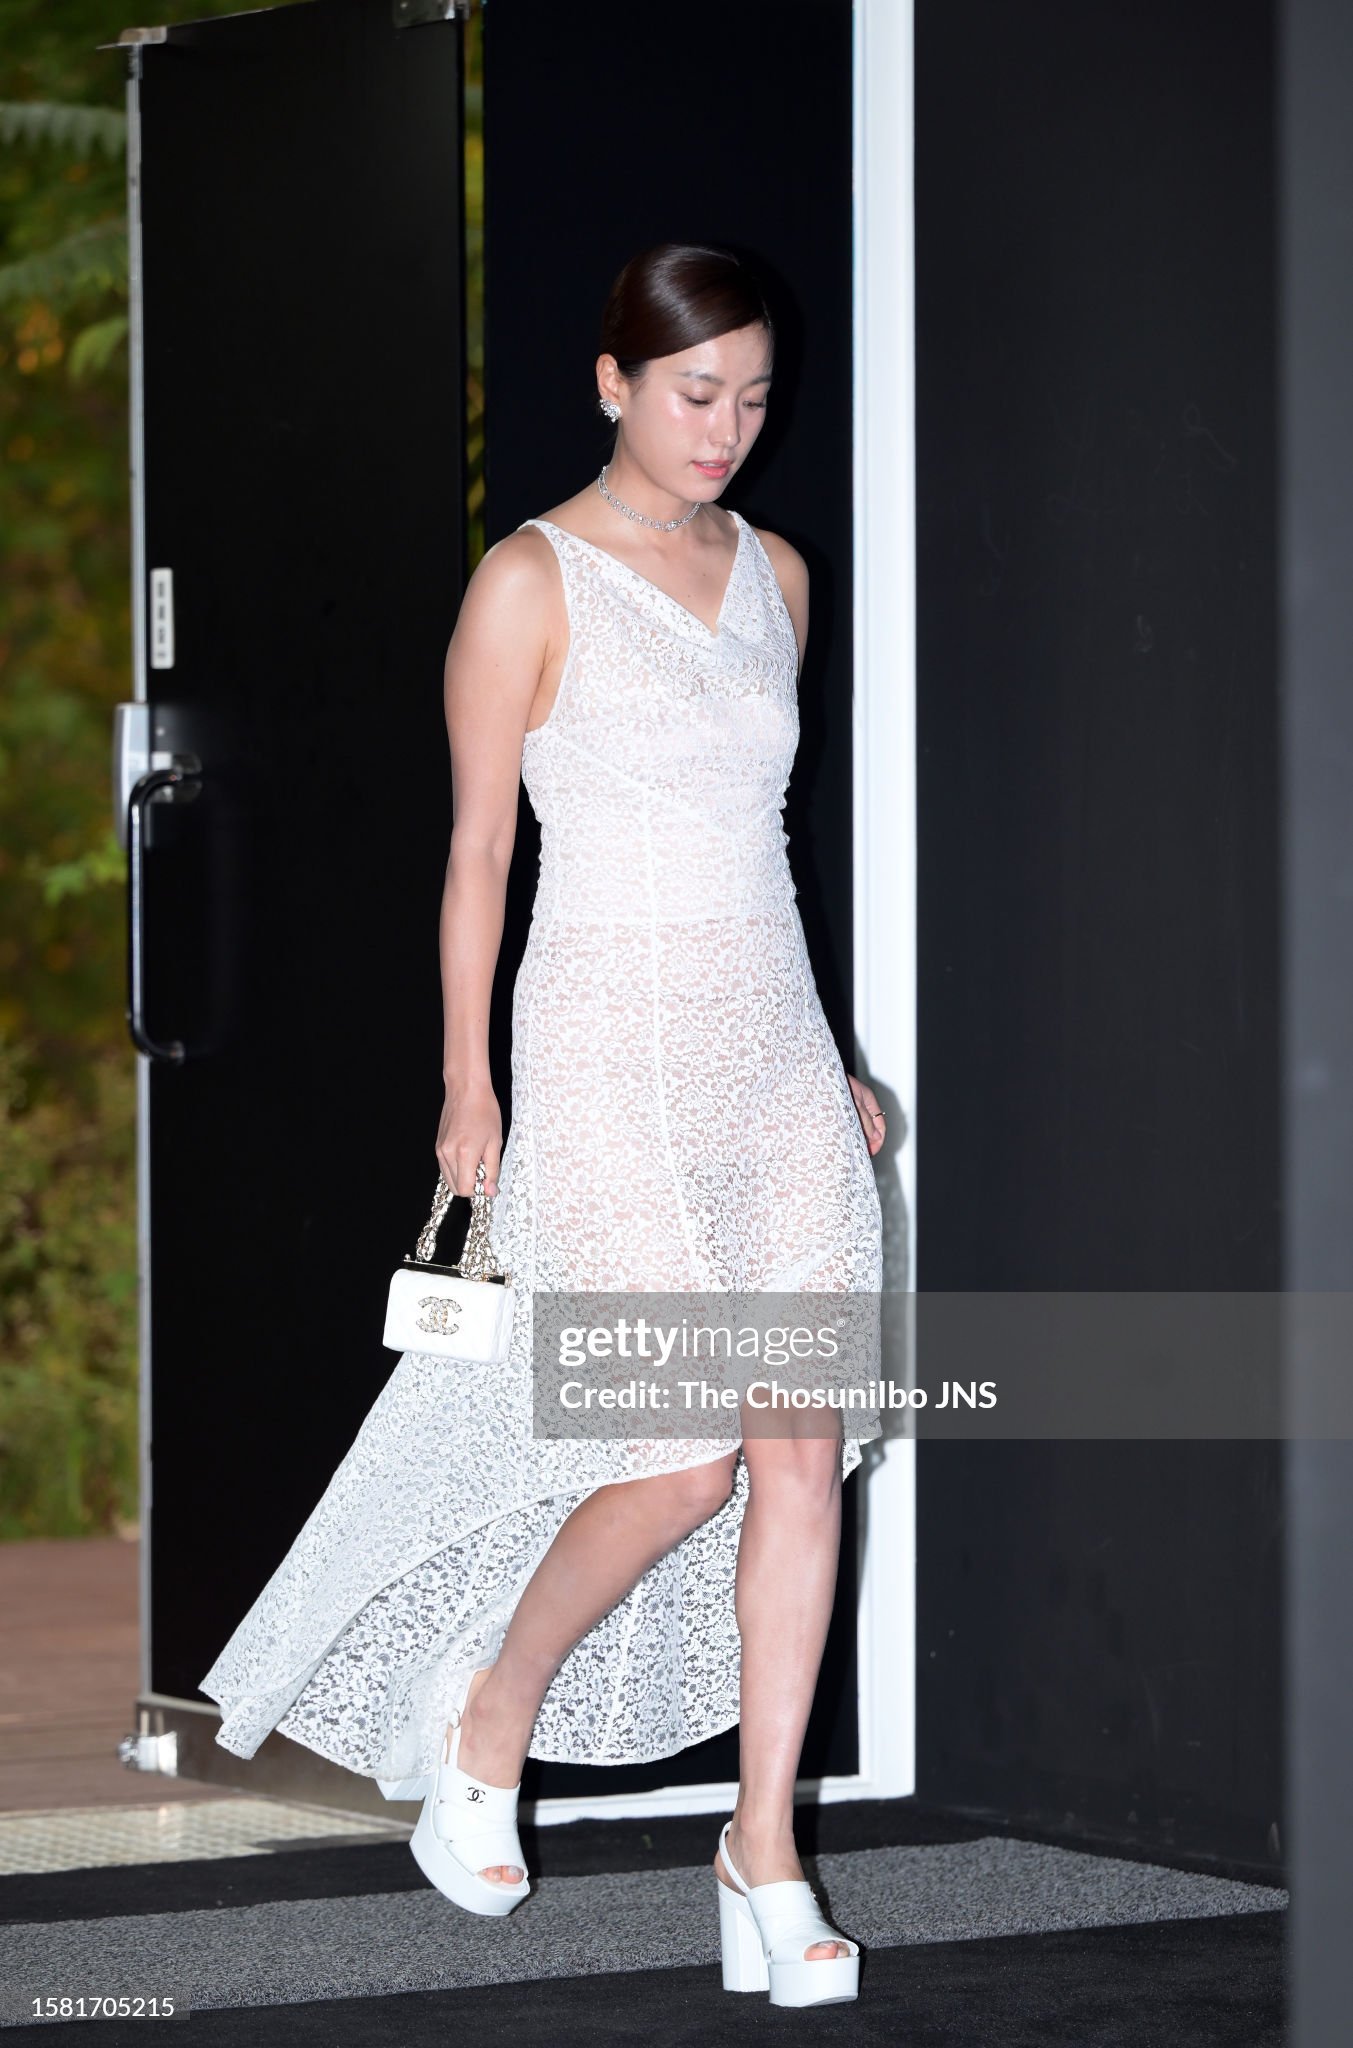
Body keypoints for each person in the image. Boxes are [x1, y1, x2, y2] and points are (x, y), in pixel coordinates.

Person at [199, 242, 886, 2011]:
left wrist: (832, 1057)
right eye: (693, 392)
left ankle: (762, 1850)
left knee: (797, 1451)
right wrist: (465, 1079)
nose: (725, 427)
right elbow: (478, 855)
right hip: (607, 1052)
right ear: (611, 383)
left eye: (751, 397)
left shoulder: (779, 577)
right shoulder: (526, 580)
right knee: (679, 1454)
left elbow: (766, 839)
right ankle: (489, 1716)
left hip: (771, 1060)